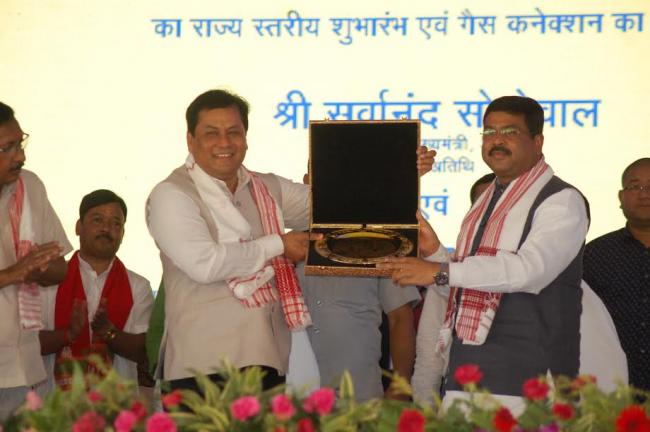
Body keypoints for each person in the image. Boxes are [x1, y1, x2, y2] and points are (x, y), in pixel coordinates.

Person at [146, 89, 436, 394]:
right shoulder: (171, 194)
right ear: (190, 140)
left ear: (245, 138)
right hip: (202, 369)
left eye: (233, 132)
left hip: (268, 366)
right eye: (211, 133)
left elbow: (342, 204)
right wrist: (279, 245)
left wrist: (400, 172)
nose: (224, 142)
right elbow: (205, 265)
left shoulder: (265, 188)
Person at [380, 96, 590, 414]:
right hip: (466, 378)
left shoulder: (562, 200)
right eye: (489, 132)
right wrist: (435, 254)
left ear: (538, 141)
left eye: (510, 132)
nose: (497, 140)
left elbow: (529, 271)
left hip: (529, 384)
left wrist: (439, 270)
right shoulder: (485, 200)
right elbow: (464, 288)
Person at [411, 173, 627, 404]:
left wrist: (439, 266)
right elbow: (433, 352)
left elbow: (606, 385)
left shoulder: (571, 295)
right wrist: (435, 256)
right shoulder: (471, 273)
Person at [294, 174, 421, 402]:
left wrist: (401, 386)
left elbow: (401, 318)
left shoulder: (381, 243)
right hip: (294, 394)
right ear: (306, 182)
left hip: (358, 392)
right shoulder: (287, 243)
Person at [38, 190, 154, 399]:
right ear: (78, 227)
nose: (106, 228)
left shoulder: (138, 286)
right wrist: (68, 334)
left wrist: (109, 332)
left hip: (116, 408)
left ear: (123, 233)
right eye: (98, 220)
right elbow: (27, 343)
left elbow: (144, 352)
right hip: (52, 408)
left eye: (116, 223)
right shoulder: (48, 282)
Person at [0, 102, 71, 422]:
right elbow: (16, 272)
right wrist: (13, 273)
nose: (20, 156)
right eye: (8, 148)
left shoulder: (30, 187)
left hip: (20, 365)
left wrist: (39, 268)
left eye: (21, 143)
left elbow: (60, 268)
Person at [583, 157, 650, 392]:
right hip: (611, 387)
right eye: (635, 186)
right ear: (621, 197)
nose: (644, 194)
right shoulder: (595, 254)